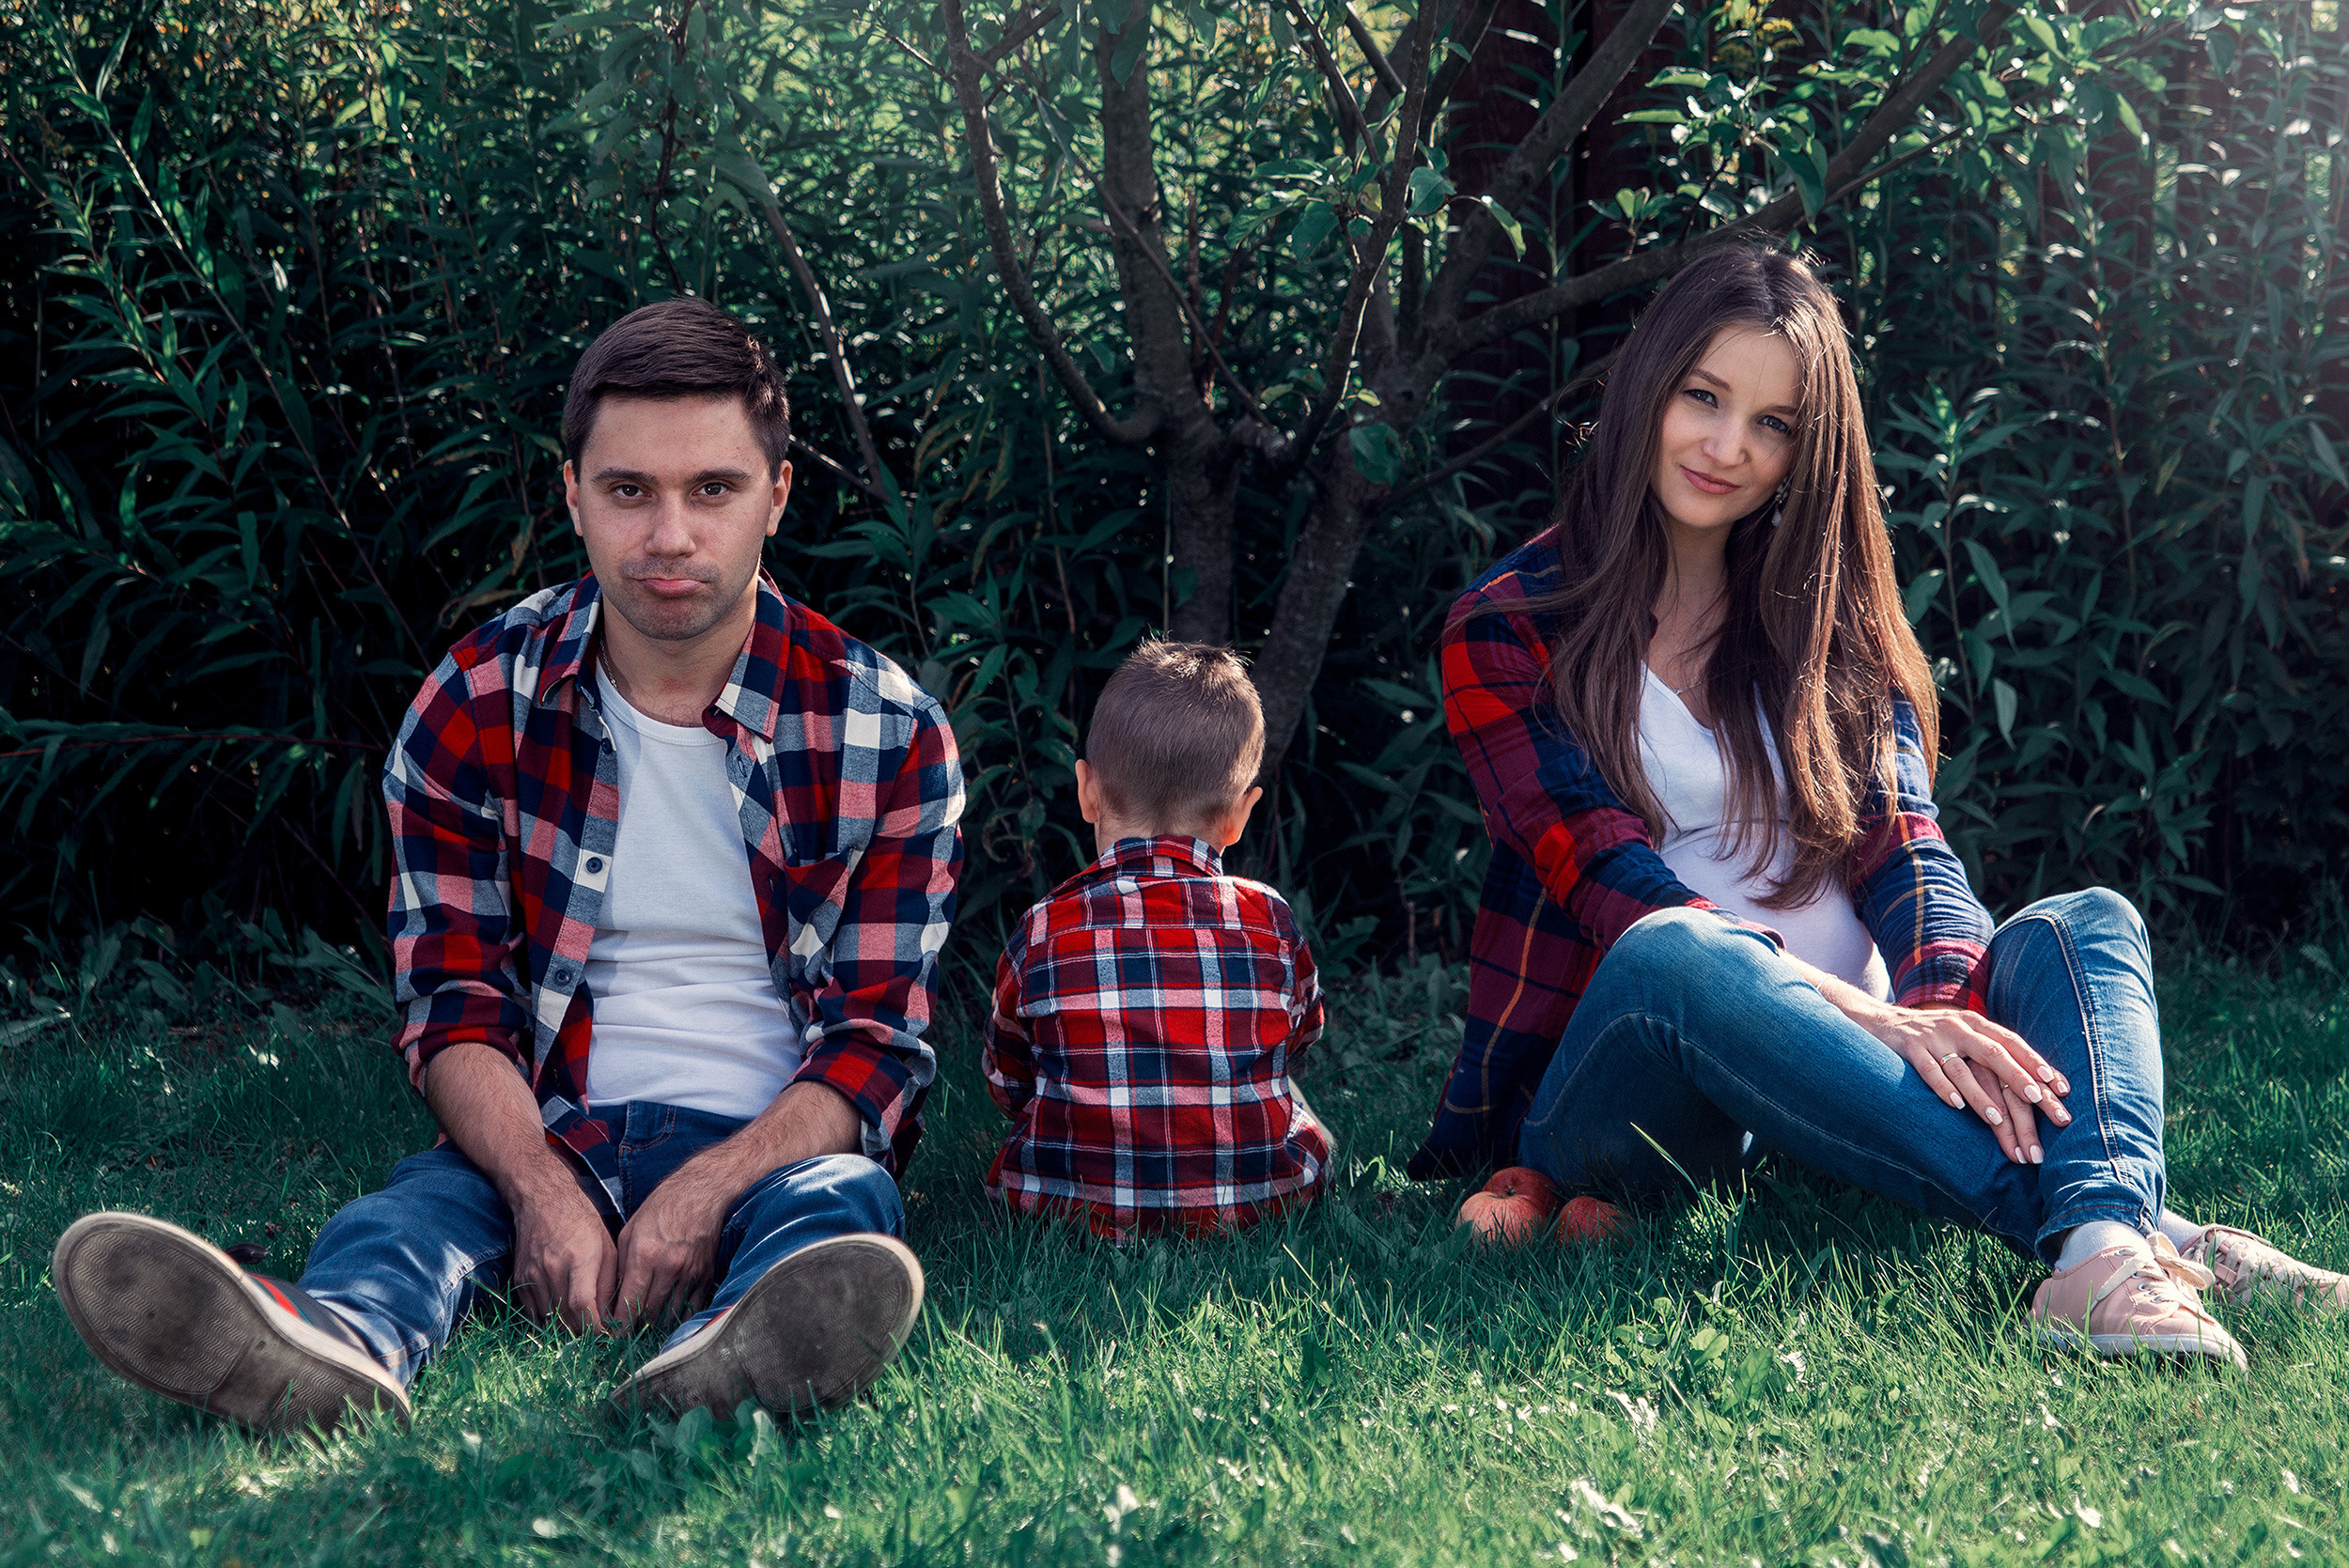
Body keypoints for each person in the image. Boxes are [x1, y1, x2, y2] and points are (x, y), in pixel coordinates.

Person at [1411, 246, 2347, 1366]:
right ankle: (2149, 1232)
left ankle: (2097, 1247)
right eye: (1702, 398)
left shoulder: (1826, 623)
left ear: (1811, 452)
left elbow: (1911, 855)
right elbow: (1613, 890)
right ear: (1645, 388)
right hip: (1636, 1084)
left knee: (2084, 919)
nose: (1726, 447)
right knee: (1681, 950)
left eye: (1774, 424)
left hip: (1852, 1084)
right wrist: (1884, 1021)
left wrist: (1947, 1015)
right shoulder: (1509, 625)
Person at [53, 298, 965, 1435]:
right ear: (572, 493)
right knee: (414, 1216)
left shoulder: (887, 728)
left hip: (772, 1147)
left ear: (776, 498)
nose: (670, 534)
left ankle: (731, 1354)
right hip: (546, 1125)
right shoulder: (478, 700)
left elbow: (874, 1045)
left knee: (840, 1211)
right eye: (629, 490)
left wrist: (704, 1191)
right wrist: (539, 1186)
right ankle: (323, 1345)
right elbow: (453, 1003)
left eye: (712, 490)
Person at [980, 641, 1330, 1239]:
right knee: (1307, 1117)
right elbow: (1301, 1035)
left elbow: (1006, 1078)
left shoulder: (1043, 927)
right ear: (1240, 815)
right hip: (1261, 1202)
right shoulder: (1267, 918)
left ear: (1087, 791)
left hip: (1066, 1213)